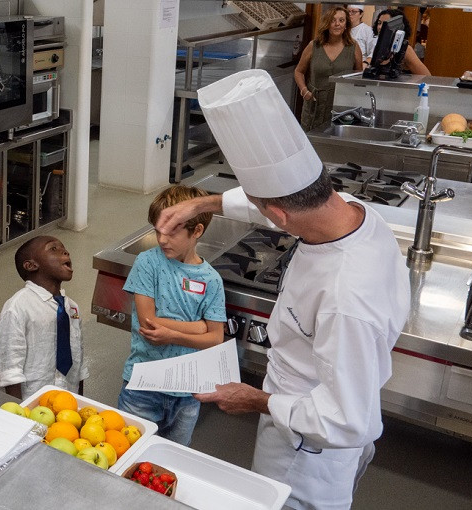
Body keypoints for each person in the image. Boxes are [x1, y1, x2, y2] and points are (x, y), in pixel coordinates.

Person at [160, 69, 410, 509]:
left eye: (259, 206)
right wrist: (205, 201)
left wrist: (256, 399)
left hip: (310, 446)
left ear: (278, 215)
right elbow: (281, 205)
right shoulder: (352, 211)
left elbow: (349, 421)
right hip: (301, 397)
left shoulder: (346, 298)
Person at [116, 185, 226, 446]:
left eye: (171, 232)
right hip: (142, 386)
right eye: (157, 231)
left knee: (172, 460)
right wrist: (199, 328)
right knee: (129, 452)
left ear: (197, 231)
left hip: (187, 394)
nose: (162, 240)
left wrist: (173, 335)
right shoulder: (148, 262)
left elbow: (216, 340)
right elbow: (149, 324)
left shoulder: (211, 280)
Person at [0, 236, 89, 400]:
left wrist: (79, 404)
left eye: (63, 247)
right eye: (53, 249)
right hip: (29, 404)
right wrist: (19, 415)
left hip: (65, 405)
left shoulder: (72, 308)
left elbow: (78, 367)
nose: (65, 252)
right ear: (31, 265)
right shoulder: (17, 307)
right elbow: (9, 370)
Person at [295, 6, 364, 132]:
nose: (337, 24)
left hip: (340, 108)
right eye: (333, 20)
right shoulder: (314, 45)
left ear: (346, 24)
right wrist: (304, 91)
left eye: (341, 20)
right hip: (314, 106)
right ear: (327, 23)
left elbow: (358, 76)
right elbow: (299, 71)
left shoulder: (353, 47)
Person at [371, 9, 431, 76]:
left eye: (385, 24)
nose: (380, 27)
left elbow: (426, 76)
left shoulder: (405, 49)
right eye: (379, 23)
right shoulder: (379, 47)